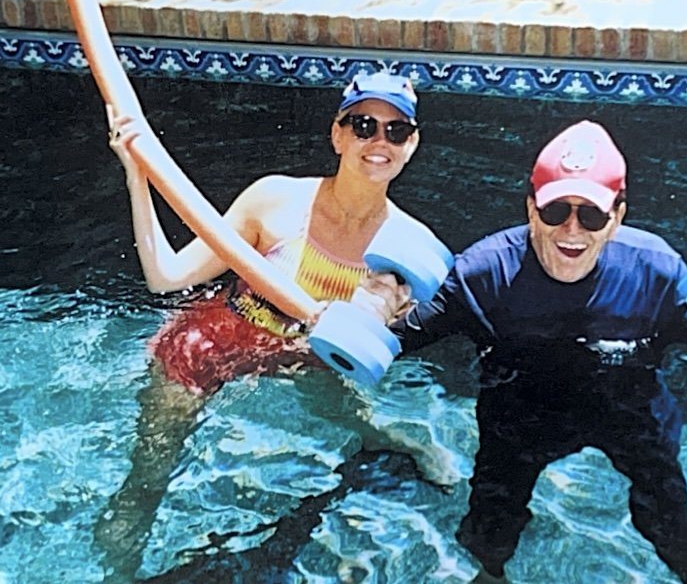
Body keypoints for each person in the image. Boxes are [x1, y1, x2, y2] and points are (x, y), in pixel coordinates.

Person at [368, 119, 687, 584]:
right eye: (555, 211)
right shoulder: (484, 275)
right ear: (531, 209)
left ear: (617, 218)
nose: (571, 230)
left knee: (667, 514)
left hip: (630, 409)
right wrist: (376, 308)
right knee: (492, 519)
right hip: (520, 412)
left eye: (591, 215)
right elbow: (387, 343)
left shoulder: (657, 273)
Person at [94, 70, 434, 582]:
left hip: (305, 359)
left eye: (396, 130)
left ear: (412, 144)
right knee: (147, 478)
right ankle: (116, 573)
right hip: (212, 343)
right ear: (337, 134)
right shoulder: (275, 200)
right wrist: (136, 175)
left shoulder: (409, 248)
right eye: (363, 125)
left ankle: (394, 448)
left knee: (367, 431)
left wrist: (392, 316)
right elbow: (165, 276)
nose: (378, 142)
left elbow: (376, 351)